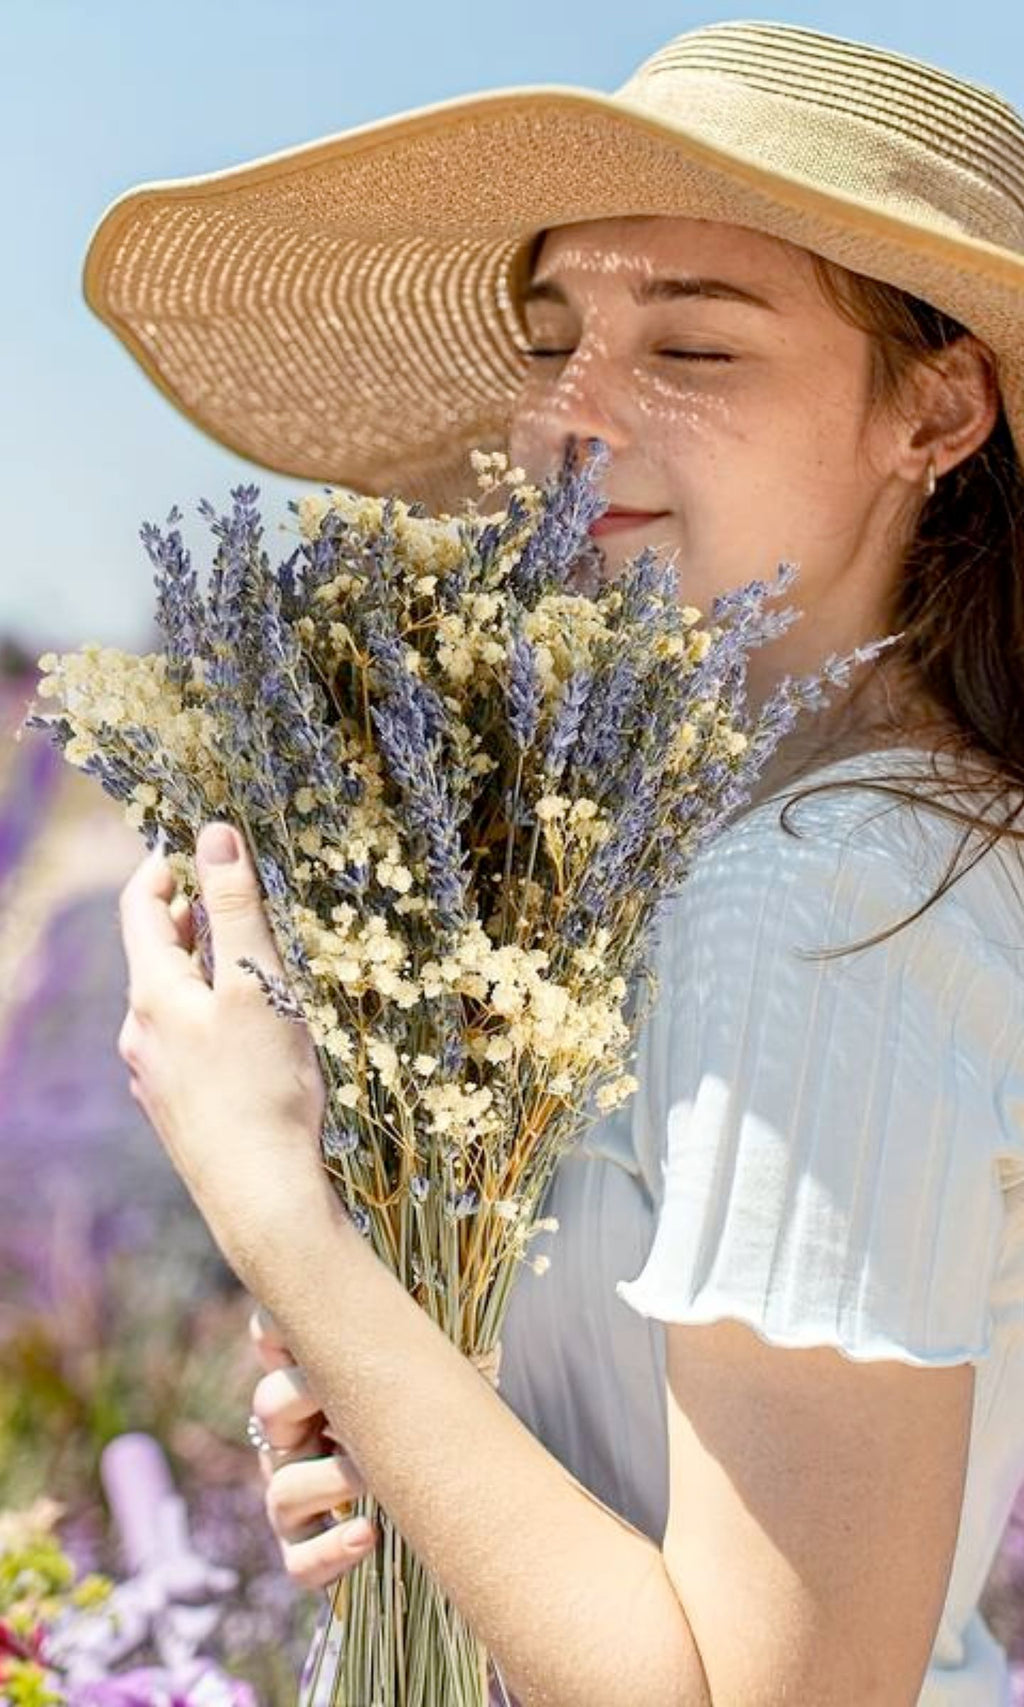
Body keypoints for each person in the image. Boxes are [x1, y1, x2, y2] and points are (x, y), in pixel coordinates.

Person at [98, 18, 1024, 1705]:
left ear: (938, 410)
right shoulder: (730, 849)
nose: (571, 411)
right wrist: (409, 1429)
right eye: (553, 334)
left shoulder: (822, 901)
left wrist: (270, 1199)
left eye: (698, 344)